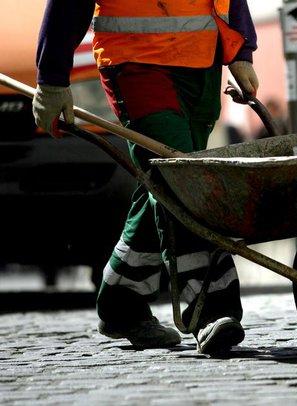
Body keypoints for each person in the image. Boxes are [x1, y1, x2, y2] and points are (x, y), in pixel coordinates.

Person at [32, 0, 259, 355]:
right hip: (136, 63)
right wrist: (52, 78)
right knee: (182, 179)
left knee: (162, 182)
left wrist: (242, 51)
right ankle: (211, 307)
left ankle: (121, 301)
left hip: (201, 66)